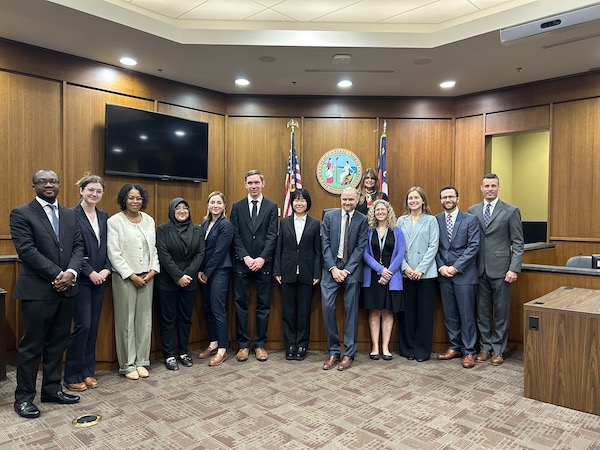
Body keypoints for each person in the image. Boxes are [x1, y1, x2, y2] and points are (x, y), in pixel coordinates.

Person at [10, 169, 84, 419]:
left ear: (59, 185)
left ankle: (52, 389)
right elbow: (26, 250)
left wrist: (72, 272)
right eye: (43, 181)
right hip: (38, 291)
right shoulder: (21, 213)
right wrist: (58, 274)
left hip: (67, 290)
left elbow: (77, 246)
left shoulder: (70, 213)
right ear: (34, 186)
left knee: (58, 344)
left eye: (53, 181)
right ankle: (23, 398)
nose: (49, 184)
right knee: (32, 347)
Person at [468, 174, 524, 366]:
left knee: (500, 312)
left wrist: (514, 268)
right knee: (482, 312)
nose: (490, 189)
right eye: (486, 186)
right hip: (478, 269)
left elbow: (518, 242)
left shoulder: (511, 211)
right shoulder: (472, 210)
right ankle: (485, 348)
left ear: (499, 187)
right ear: (481, 188)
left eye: (493, 185)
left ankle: (498, 350)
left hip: (502, 271)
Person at [64, 174, 111, 392]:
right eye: (90, 190)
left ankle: (87, 371)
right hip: (81, 281)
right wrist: (90, 271)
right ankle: (72, 373)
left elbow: (109, 247)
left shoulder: (103, 216)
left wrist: (106, 269)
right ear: (81, 190)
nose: (94, 194)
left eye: (98, 191)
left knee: (93, 327)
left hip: (101, 280)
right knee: (82, 326)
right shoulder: (70, 215)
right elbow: (72, 249)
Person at [107, 184, 160, 380]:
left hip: (147, 277)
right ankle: (128, 365)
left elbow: (153, 249)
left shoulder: (149, 220)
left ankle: (142, 361)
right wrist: (131, 275)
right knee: (126, 322)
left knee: (144, 321)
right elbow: (114, 253)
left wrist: (153, 270)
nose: (135, 201)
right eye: (131, 198)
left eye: (138, 198)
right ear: (124, 199)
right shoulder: (114, 222)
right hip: (125, 278)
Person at [230, 170, 278, 362]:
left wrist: (261, 258)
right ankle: (243, 345)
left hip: (263, 264)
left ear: (263, 183)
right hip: (242, 264)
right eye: (250, 183)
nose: (254, 186)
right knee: (240, 304)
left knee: (263, 305)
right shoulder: (237, 206)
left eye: (257, 182)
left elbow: (272, 235)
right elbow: (235, 235)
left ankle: (259, 345)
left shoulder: (272, 206)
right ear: (245, 184)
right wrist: (246, 257)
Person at [321, 186, 368, 371]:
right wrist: (333, 268)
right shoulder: (329, 216)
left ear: (357, 201)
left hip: (352, 270)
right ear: (340, 199)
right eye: (344, 199)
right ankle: (333, 351)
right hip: (330, 269)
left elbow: (360, 247)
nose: (347, 203)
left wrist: (346, 270)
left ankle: (349, 353)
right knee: (327, 306)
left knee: (351, 310)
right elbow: (324, 243)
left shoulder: (362, 220)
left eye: (351, 200)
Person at [156, 198, 205, 371]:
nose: (182, 211)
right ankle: (169, 355)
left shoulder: (198, 230)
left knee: (185, 319)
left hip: (189, 283)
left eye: (185, 208)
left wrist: (187, 275)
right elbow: (163, 254)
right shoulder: (163, 229)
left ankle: (183, 352)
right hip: (167, 281)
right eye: (178, 208)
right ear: (172, 211)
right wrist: (178, 276)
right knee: (168, 320)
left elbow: (200, 253)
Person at [435, 186, 480, 369]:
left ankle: (469, 351)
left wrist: (455, 268)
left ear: (457, 198)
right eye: (444, 197)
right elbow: (434, 246)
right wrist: (441, 267)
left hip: (464, 275)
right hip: (443, 274)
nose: (448, 199)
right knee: (450, 314)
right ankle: (455, 347)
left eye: (451, 196)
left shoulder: (470, 220)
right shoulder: (435, 220)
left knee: (467, 314)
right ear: (440, 200)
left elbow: (474, 247)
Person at [274, 189, 321, 361]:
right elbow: (279, 248)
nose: (299, 203)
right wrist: (277, 270)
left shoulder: (315, 224)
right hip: (287, 272)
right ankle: (290, 344)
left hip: (307, 274)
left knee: (303, 312)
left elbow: (318, 251)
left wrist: (317, 272)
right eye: (296, 200)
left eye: (302, 200)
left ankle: (302, 344)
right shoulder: (284, 223)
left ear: (308, 203)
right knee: (288, 311)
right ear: (292, 203)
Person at [396, 187, 439, 362]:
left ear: (423, 200)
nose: (413, 201)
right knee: (407, 314)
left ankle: (422, 350)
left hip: (426, 274)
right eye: (410, 198)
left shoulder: (431, 220)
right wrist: (406, 268)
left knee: (425, 314)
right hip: (406, 273)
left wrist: (420, 269)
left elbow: (433, 246)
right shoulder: (400, 220)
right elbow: (397, 248)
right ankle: (407, 349)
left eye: (416, 198)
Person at [362, 199, 405, 361]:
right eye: (377, 210)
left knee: (387, 311)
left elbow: (400, 254)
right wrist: (380, 270)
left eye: (383, 209)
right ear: (373, 213)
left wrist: (388, 273)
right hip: (372, 276)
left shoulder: (397, 231)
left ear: (388, 212)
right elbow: (365, 253)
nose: (380, 212)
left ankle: (385, 347)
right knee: (374, 311)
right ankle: (374, 347)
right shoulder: (368, 231)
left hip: (392, 277)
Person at [198, 191, 233, 366]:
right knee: (207, 308)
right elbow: (200, 250)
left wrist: (207, 272)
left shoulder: (226, 225)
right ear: (208, 204)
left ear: (224, 205)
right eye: (212, 202)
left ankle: (222, 348)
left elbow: (219, 252)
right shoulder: (204, 224)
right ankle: (213, 343)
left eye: (219, 202)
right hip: (204, 272)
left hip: (219, 271)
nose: (215, 206)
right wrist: (200, 270)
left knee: (218, 308)